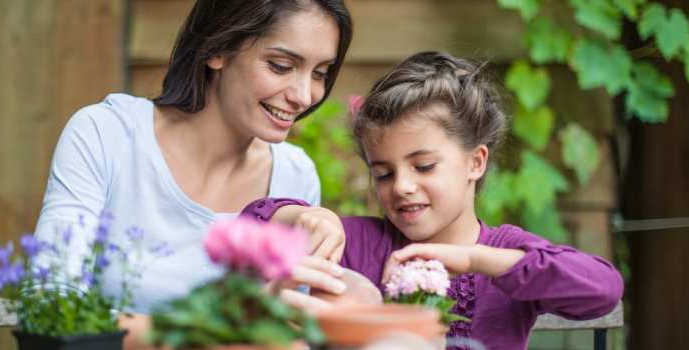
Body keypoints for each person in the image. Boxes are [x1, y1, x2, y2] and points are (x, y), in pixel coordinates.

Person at [242, 51, 624, 350]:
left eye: (423, 166)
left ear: (475, 162)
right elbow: (246, 228)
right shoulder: (356, 242)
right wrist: (301, 217)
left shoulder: (505, 252)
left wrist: (476, 260)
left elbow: (603, 290)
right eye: (384, 173)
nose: (402, 186)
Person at [32, 0, 352, 346]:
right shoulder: (106, 135)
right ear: (217, 49)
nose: (304, 96)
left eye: (320, 74)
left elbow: (292, 328)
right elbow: (51, 304)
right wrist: (216, 334)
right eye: (280, 66)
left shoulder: (295, 174)